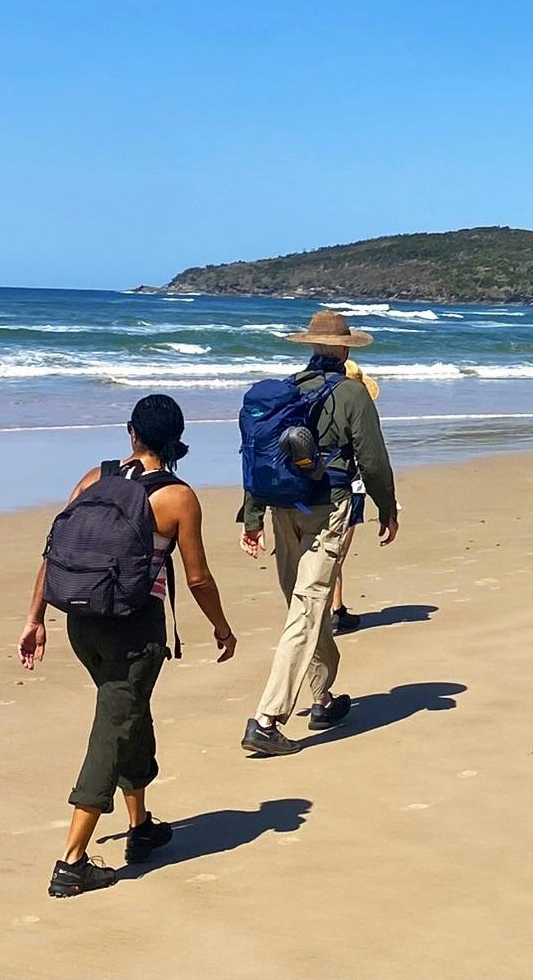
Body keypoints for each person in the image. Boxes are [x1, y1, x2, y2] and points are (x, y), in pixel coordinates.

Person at [19, 394, 236, 898]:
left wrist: (35, 617)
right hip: (134, 632)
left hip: (80, 623)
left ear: (131, 433)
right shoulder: (177, 497)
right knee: (114, 727)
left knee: (129, 715)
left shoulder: (95, 478)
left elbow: (54, 551)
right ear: (177, 441)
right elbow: (198, 578)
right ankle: (72, 861)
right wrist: (222, 629)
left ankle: (140, 829)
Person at [239, 310, 400, 757]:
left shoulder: (287, 389)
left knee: (302, 606)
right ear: (345, 349)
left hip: (280, 506)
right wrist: (387, 509)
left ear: (311, 347)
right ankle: (267, 719)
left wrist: (252, 517)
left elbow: (258, 454)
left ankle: (322, 697)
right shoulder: (352, 394)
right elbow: (372, 460)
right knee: (308, 610)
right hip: (326, 507)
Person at [330, 356, 381, 636]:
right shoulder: (358, 413)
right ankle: (334, 611)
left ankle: (336, 607)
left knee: (327, 553)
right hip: (351, 489)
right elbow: (369, 460)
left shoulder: (323, 408)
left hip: (322, 487)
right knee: (337, 554)